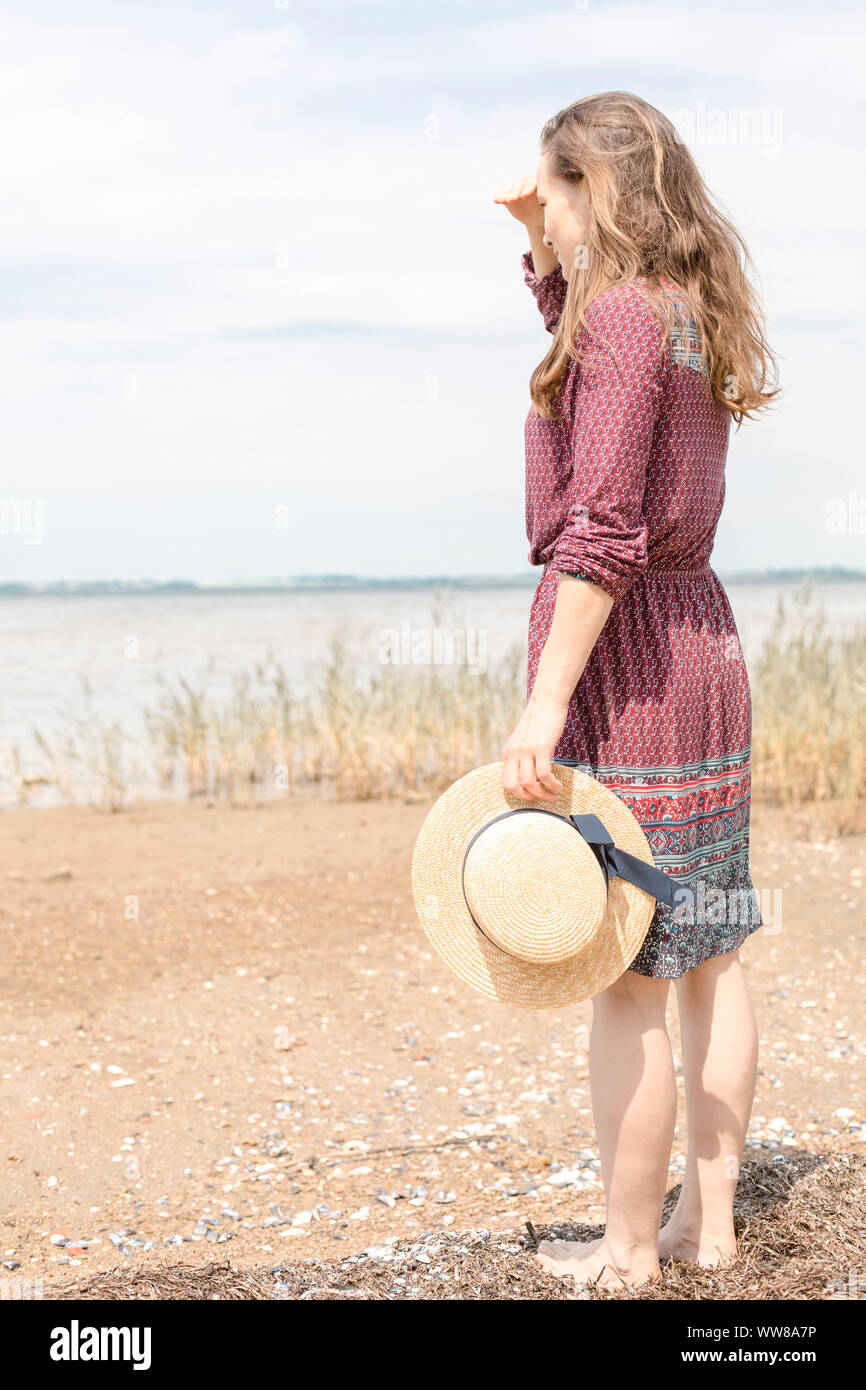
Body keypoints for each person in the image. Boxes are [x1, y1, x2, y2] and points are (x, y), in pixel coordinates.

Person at [492, 91, 778, 1290]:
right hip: (700, 648)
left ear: (588, 191)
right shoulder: (681, 312)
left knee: (622, 978)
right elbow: (620, 414)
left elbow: (600, 528)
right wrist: (543, 267)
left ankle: (622, 1252)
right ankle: (702, 1232)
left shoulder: (614, 319)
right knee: (707, 956)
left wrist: (544, 703)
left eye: (549, 191)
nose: (538, 210)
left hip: (631, 670)